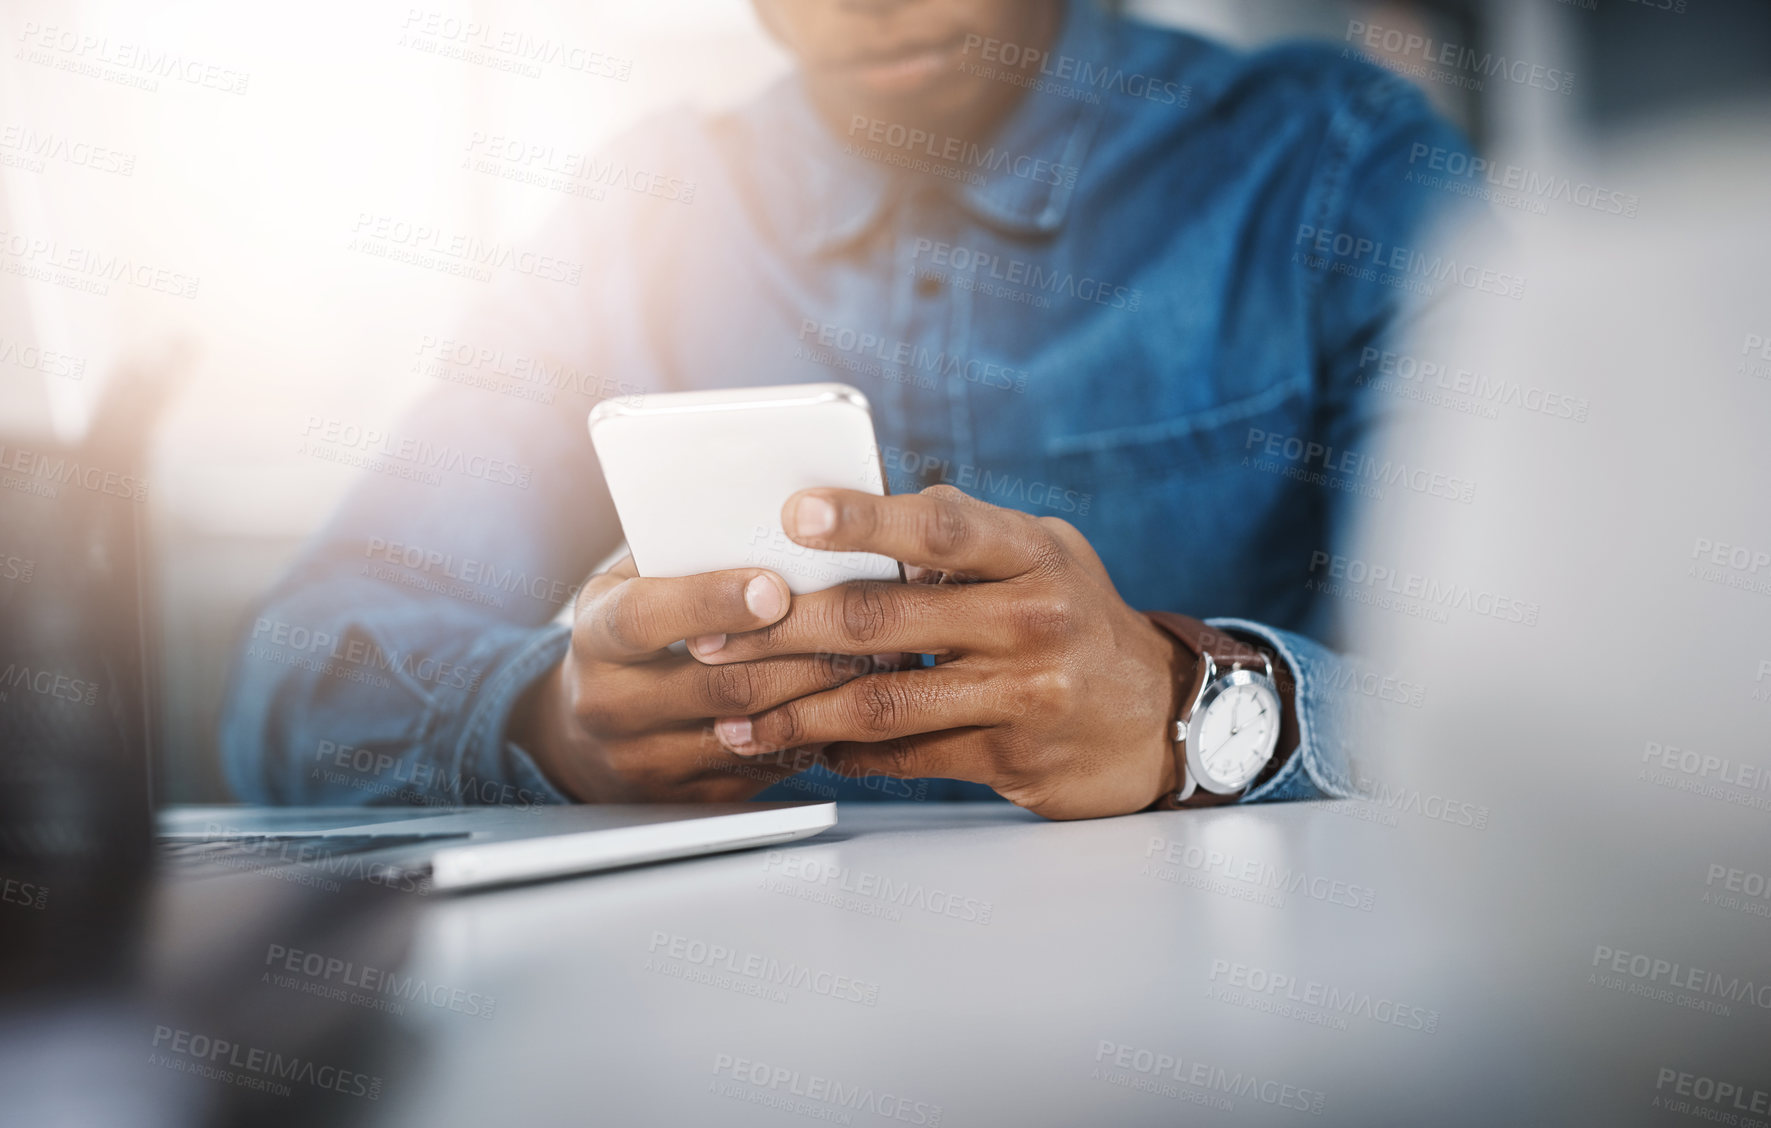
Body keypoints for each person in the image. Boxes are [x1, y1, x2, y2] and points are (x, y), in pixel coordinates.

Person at [222, 0, 1472, 818]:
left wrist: (1197, 712)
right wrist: (547, 723)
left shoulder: (1335, 173)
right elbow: (284, 689)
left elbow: (1574, 712)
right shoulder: (636, 222)